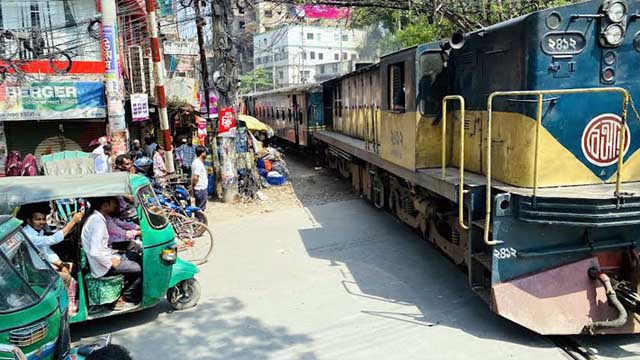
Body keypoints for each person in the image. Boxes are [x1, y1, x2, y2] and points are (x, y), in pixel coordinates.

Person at [19, 202, 84, 314]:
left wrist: (61, 265)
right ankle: (66, 306)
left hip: (45, 264)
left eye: (43, 219)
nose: (42, 222)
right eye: (38, 219)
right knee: (66, 278)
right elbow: (52, 240)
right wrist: (72, 222)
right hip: (37, 272)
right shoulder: (28, 234)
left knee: (73, 267)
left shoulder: (39, 231)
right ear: (29, 221)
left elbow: (47, 251)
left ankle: (74, 298)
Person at [82, 197, 141, 309]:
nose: (116, 205)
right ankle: (126, 297)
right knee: (139, 268)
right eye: (113, 203)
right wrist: (110, 262)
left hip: (107, 256)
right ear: (105, 205)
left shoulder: (100, 218)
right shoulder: (97, 222)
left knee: (136, 256)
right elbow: (95, 251)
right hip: (102, 266)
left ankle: (127, 288)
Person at [191, 146, 209, 211]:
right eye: (205, 152)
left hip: (199, 188)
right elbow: (195, 177)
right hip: (200, 189)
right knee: (200, 209)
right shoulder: (198, 163)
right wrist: (193, 187)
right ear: (202, 153)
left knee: (199, 208)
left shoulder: (197, 162)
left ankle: (199, 220)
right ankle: (200, 221)